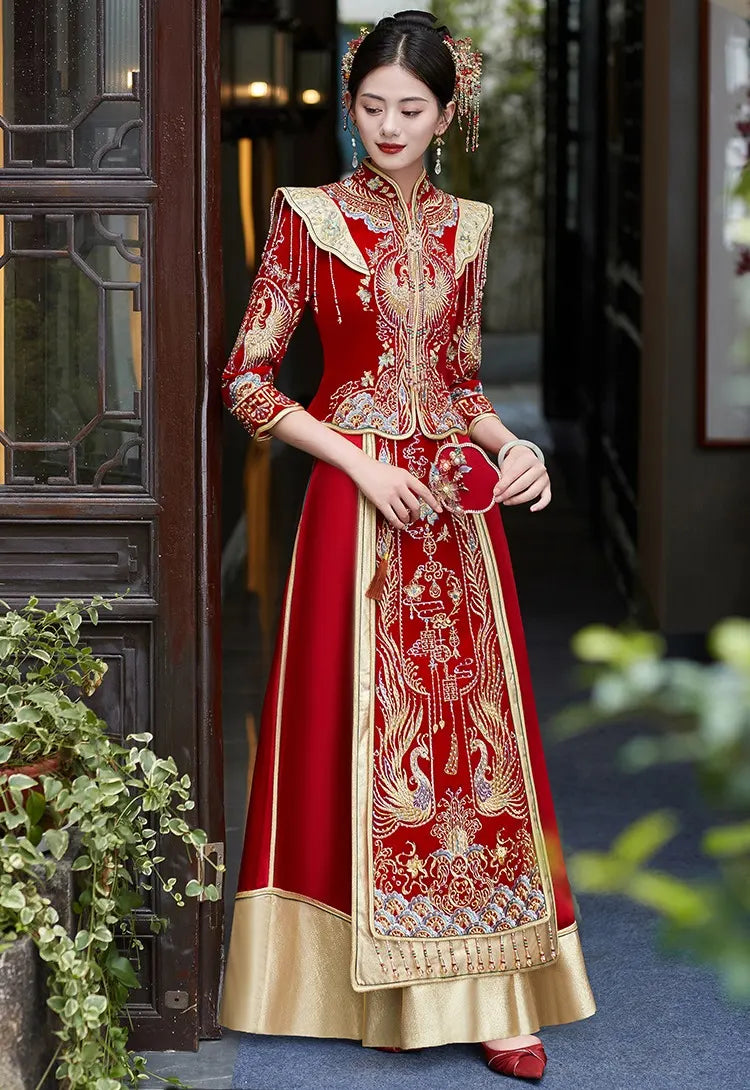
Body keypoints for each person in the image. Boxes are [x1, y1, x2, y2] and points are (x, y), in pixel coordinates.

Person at [219, 9, 597, 1079]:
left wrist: (516, 446)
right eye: (372, 106)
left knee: (474, 752)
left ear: (446, 114)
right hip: (358, 507)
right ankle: (351, 982)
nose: (388, 126)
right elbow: (248, 381)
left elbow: (463, 386)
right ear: (352, 107)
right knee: (366, 739)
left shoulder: (470, 228)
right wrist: (358, 462)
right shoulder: (308, 219)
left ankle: (496, 990)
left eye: (411, 109)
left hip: (457, 516)